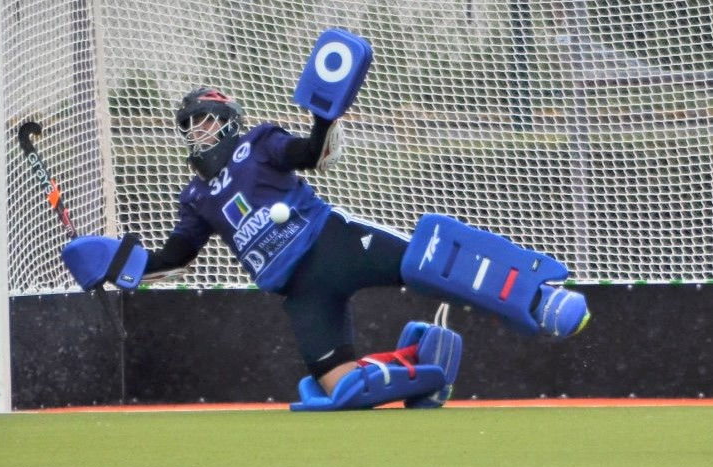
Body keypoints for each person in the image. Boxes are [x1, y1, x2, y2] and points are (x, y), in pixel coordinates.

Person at [69, 87, 590, 411]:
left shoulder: (259, 143)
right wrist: (117, 264)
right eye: (187, 124)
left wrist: (323, 117)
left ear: (227, 118)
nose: (194, 131)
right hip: (299, 291)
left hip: (334, 244)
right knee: (341, 388)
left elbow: (309, 153)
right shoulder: (196, 196)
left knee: (429, 262)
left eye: (203, 119)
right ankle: (422, 362)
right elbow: (177, 256)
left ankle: (540, 296)